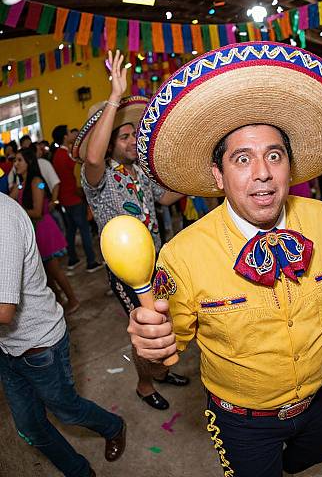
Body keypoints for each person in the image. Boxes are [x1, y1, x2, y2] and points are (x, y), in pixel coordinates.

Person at [125, 41, 322, 477]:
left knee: (312, 458)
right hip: (241, 422)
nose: (262, 172)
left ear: (290, 167)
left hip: (316, 401)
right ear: (218, 176)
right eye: (242, 159)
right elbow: (162, 353)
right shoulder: (182, 256)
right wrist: (147, 346)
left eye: (274, 155)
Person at [76, 50, 189, 411]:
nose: (132, 141)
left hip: (155, 263)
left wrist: (198, 179)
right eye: (124, 136)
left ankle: (158, 372)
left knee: (164, 323)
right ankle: (144, 384)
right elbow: (92, 158)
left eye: (133, 134)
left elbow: (167, 199)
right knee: (145, 329)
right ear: (109, 142)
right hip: (126, 273)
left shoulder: (139, 171)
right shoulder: (98, 177)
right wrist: (114, 97)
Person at [0, 193, 126, 477]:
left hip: (39, 345)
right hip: (7, 346)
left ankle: (113, 425)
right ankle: (79, 471)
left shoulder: (3, 218)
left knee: (68, 411)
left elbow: (4, 310)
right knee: (29, 427)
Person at [10, 148, 80, 314]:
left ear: (29, 162)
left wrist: (18, 210)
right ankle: (60, 299)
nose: (15, 164)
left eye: (19, 160)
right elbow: (9, 199)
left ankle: (73, 300)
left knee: (54, 270)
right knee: (46, 274)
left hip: (43, 229)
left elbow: (37, 211)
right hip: (34, 231)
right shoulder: (22, 183)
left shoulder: (36, 181)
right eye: (14, 160)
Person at [52, 125, 102, 273]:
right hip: (73, 197)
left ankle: (72, 259)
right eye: (68, 132)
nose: (71, 134)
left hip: (65, 198)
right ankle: (91, 262)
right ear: (64, 137)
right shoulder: (65, 155)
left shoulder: (57, 155)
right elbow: (75, 174)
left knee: (71, 230)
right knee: (85, 231)